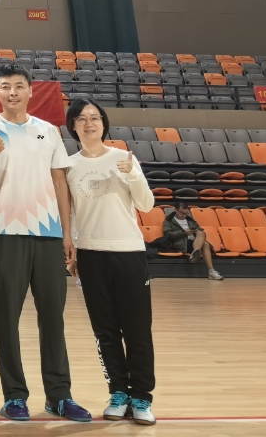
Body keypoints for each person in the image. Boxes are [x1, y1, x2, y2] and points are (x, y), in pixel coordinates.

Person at [0, 62, 91, 422]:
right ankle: (14, 396)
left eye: (19, 85)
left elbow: (60, 184)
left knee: (53, 317)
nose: (13, 92)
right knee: (7, 318)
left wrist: (68, 233)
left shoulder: (49, 130)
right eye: (6, 86)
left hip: (49, 234)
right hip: (7, 232)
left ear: (30, 90)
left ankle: (59, 395)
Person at [63, 98, 157, 426]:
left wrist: (133, 176)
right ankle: (118, 391)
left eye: (95, 117)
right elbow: (71, 213)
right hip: (91, 255)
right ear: (72, 126)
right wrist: (74, 250)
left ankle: (142, 396)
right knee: (105, 331)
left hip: (128, 252)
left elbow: (146, 204)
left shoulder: (123, 158)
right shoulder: (68, 165)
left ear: (103, 123)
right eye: (81, 119)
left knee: (137, 330)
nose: (89, 123)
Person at [160, 202, 222, 280]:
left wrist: (195, 231)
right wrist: (183, 233)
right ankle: (211, 271)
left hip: (195, 240)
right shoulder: (168, 221)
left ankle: (196, 252)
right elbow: (168, 235)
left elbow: (199, 229)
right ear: (175, 210)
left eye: (186, 213)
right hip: (182, 242)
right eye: (181, 213)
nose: (183, 215)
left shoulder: (191, 220)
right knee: (205, 244)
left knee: (201, 232)